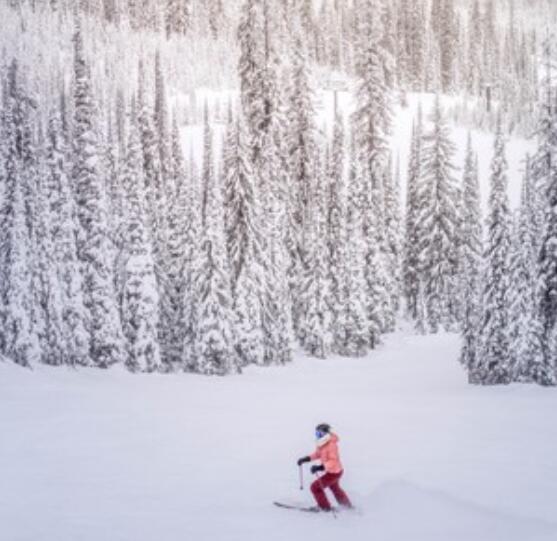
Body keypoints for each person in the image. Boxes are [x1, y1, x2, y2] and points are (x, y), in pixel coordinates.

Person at [297, 423, 352, 511]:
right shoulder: (322, 443)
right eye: (317, 433)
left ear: (326, 433)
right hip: (334, 471)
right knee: (334, 487)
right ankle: (347, 505)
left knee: (315, 487)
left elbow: (333, 460)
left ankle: (325, 507)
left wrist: (320, 467)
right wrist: (306, 459)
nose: (318, 435)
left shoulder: (331, 445)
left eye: (320, 433)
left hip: (335, 472)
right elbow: (317, 454)